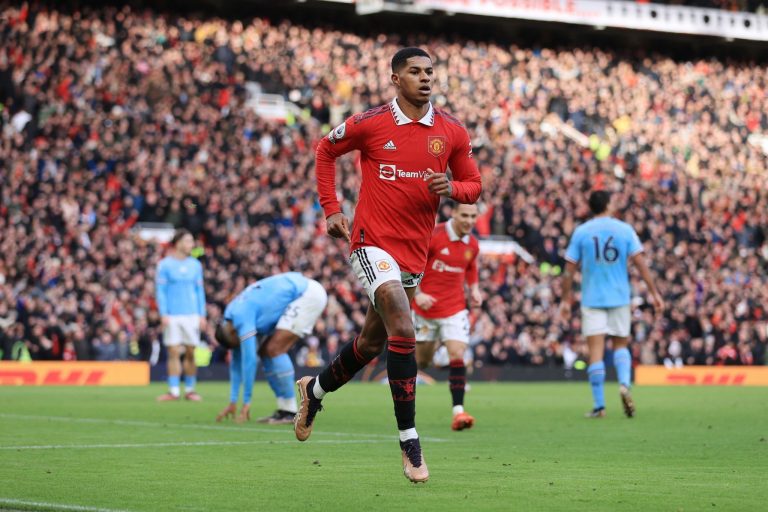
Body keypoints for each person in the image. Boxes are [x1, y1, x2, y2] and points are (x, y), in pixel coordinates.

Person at [295, 47, 482, 483]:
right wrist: (331, 209)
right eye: (415, 71)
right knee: (403, 326)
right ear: (396, 79)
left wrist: (452, 187)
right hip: (370, 242)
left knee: (371, 343)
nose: (425, 77)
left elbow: (475, 185)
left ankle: (314, 391)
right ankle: (410, 443)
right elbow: (325, 150)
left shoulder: (451, 131)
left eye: (429, 71)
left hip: (414, 253)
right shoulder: (370, 123)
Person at [559, 190, 665, 418]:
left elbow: (568, 271)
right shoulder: (624, 230)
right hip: (619, 297)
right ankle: (625, 384)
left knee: (595, 353)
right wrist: (654, 293)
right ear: (608, 204)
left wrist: (565, 300)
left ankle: (600, 406)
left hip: (592, 298)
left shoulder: (582, 232)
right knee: (620, 346)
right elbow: (640, 264)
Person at [214, 272, 328, 424]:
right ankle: (284, 409)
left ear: (235, 333)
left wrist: (246, 401)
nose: (240, 347)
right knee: (265, 351)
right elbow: (236, 361)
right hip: (298, 288)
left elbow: (249, 361)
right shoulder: (230, 314)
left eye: (238, 343)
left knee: (274, 349)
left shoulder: (242, 319)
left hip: (307, 294)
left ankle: (291, 411)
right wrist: (233, 401)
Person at [412, 202, 482, 431]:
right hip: (425, 311)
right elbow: (412, 265)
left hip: (454, 308)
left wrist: (475, 289)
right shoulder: (434, 235)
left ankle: (459, 412)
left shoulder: (472, 243)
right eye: (464, 215)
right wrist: (418, 294)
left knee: (457, 353)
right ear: (453, 213)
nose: (469, 221)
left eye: (473, 216)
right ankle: (438, 358)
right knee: (422, 361)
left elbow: (470, 268)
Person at [155, 230, 207, 401]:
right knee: (173, 352)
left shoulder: (195, 265)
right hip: (172, 315)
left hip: (191, 314)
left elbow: (199, 291)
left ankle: (190, 389)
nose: (191, 244)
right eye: (188, 241)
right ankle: (174, 391)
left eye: (191, 241)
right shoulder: (164, 265)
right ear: (177, 243)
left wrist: (202, 315)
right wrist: (163, 313)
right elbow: (161, 291)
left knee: (191, 352)